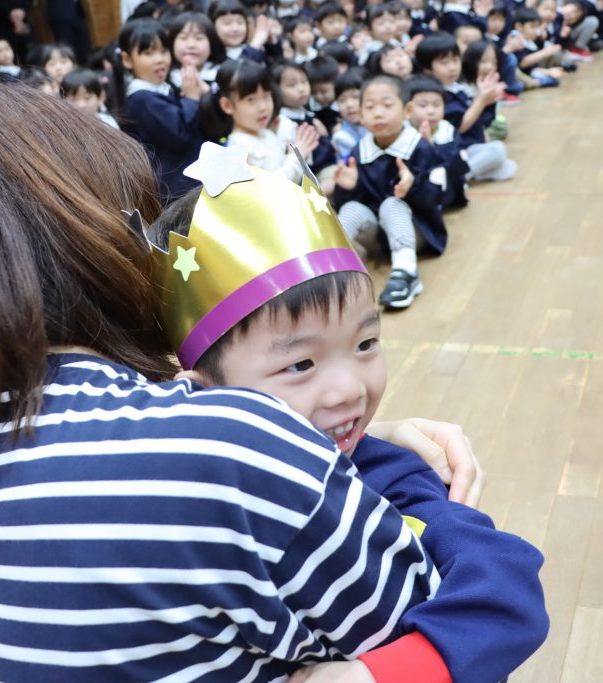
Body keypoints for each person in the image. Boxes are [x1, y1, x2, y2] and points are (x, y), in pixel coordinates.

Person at [0, 81, 482, 683]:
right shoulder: (231, 446)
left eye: (366, 343)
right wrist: (402, 476)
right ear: (95, 232)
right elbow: (455, 626)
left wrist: (358, 443)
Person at [150, 143, 549, 683]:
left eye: (366, 344)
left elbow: (505, 587)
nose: (349, 390)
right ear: (202, 393)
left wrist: (372, 675)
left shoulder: (387, 477)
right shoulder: (171, 490)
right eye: (301, 364)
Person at [334, 75, 447, 309]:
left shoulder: (421, 148)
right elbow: (360, 203)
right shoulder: (359, 151)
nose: (378, 113)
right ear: (361, 115)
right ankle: (335, 270)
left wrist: (413, 186)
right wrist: (348, 189)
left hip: (417, 231)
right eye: (370, 107)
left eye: (387, 105)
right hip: (379, 237)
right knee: (350, 208)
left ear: (407, 110)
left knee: (391, 204)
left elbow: (437, 200)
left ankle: (407, 272)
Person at [115, 18, 205, 202]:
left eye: (164, 51)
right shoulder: (141, 99)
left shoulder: (164, 88)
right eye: (148, 53)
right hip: (174, 191)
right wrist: (191, 98)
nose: (159, 59)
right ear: (127, 60)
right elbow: (179, 135)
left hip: (187, 185)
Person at [416, 31, 517, 182]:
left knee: (507, 166)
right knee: (498, 150)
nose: (452, 67)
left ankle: (462, 174)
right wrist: (481, 101)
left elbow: (481, 121)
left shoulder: (458, 88)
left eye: (455, 60)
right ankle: (455, 178)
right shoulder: (434, 95)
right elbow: (460, 127)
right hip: (452, 151)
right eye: (444, 63)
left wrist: (487, 100)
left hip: (470, 147)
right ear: (427, 68)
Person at [199, 59, 319, 183]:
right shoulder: (238, 148)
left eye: (266, 96)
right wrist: (296, 156)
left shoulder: (267, 133)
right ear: (227, 105)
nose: (263, 107)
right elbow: (271, 188)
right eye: (251, 100)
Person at [405, 74, 469, 209]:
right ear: (407, 109)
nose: (431, 111)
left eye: (437, 104)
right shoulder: (403, 131)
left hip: (447, 190)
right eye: (423, 105)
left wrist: (430, 145)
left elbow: (457, 164)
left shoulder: (447, 129)